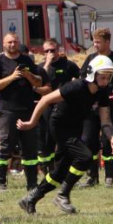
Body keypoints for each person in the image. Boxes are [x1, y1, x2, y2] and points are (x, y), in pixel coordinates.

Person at [17, 55, 113, 214]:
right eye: (103, 77)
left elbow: (105, 120)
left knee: (60, 172)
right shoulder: (76, 86)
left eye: (108, 77)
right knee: (85, 157)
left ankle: (30, 198)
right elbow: (45, 100)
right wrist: (31, 123)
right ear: (92, 74)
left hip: (75, 127)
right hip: (59, 126)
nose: (106, 81)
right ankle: (62, 195)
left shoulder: (103, 91)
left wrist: (112, 138)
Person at [0, 32, 43, 191]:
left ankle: (32, 183)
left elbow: (39, 82)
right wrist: (12, 77)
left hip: (27, 110)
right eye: (10, 42)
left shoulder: (27, 60)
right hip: (7, 110)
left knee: (30, 147)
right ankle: (0, 182)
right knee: (5, 146)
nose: (13, 45)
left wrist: (28, 75)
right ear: (4, 43)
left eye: (15, 42)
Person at [79, 28, 113, 187]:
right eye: (94, 42)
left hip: (108, 106)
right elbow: (82, 78)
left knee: (108, 140)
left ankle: (110, 177)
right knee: (89, 140)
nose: (95, 45)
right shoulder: (91, 58)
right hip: (91, 106)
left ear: (107, 42)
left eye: (98, 42)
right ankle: (92, 177)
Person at [37, 39, 77, 175]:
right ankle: (47, 170)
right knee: (46, 139)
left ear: (58, 50)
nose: (50, 53)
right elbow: (38, 81)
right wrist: (47, 64)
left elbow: (80, 79)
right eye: (46, 51)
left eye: (52, 50)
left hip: (64, 106)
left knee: (63, 138)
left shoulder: (69, 65)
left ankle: (64, 169)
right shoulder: (41, 67)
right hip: (47, 106)